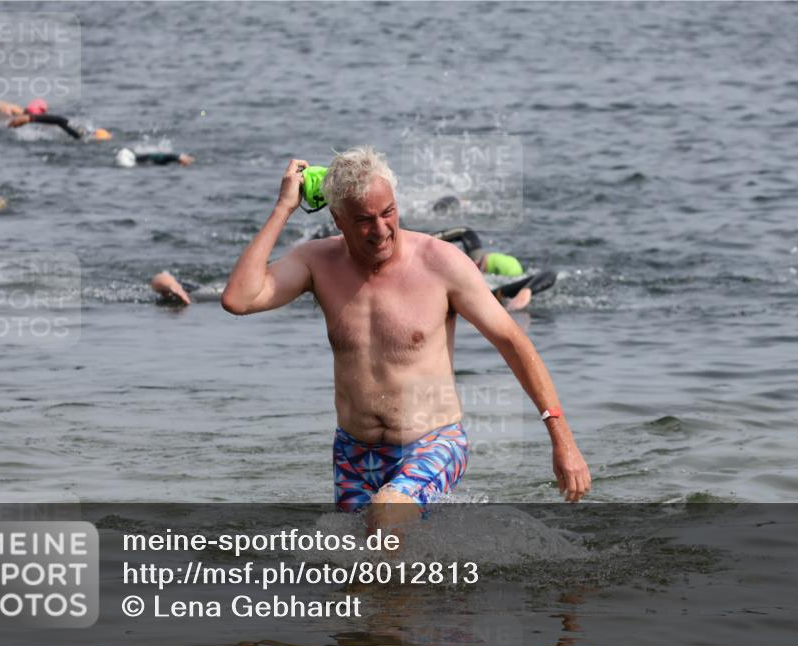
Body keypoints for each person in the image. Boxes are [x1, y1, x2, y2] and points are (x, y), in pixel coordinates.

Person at [222, 147, 590, 533]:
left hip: (433, 442)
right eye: (364, 220)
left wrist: (561, 438)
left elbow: (513, 342)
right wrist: (283, 208)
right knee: (361, 564)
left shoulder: (441, 263)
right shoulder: (317, 262)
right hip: (353, 455)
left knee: (385, 519)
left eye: (388, 212)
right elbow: (238, 299)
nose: (381, 230)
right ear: (338, 219)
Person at [432, 226, 557, 311]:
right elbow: (466, 232)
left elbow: (549, 274)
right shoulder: (478, 267)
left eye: (479, 263)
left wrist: (525, 291)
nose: (475, 262)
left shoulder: (490, 293)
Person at [0, 97, 112, 141]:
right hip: (59, 123)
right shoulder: (79, 132)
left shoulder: (79, 132)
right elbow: (21, 117)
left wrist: (8, 126)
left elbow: (21, 117)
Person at [116, 148, 194, 168]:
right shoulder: (174, 157)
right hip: (140, 160)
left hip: (141, 159)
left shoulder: (174, 159)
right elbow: (171, 157)